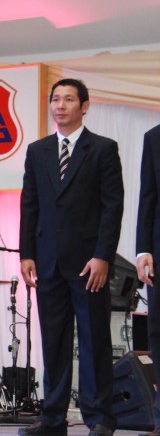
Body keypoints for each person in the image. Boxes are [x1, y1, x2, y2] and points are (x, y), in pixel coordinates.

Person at [19, 78, 123, 436]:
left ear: (85, 106)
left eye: (68, 99)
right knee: (54, 340)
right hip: (47, 261)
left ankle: (99, 417)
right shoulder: (38, 151)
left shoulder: (103, 149)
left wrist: (102, 255)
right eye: (55, 99)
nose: (60, 105)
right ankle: (53, 417)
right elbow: (29, 205)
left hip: (88, 263)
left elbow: (112, 207)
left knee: (94, 340)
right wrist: (27, 253)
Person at [135, 124, 160, 436]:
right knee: (158, 329)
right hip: (159, 248)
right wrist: (143, 249)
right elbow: (148, 196)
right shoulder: (154, 137)